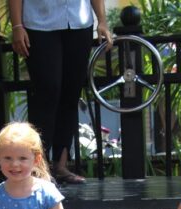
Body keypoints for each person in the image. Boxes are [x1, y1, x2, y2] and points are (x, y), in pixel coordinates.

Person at [8, 0, 112, 184]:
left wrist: (102, 21)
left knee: (71, 94)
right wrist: (17, 26)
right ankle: (38, 166)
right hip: (39, 24)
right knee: (48, 91)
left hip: (79, 23)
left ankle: (61, 165)